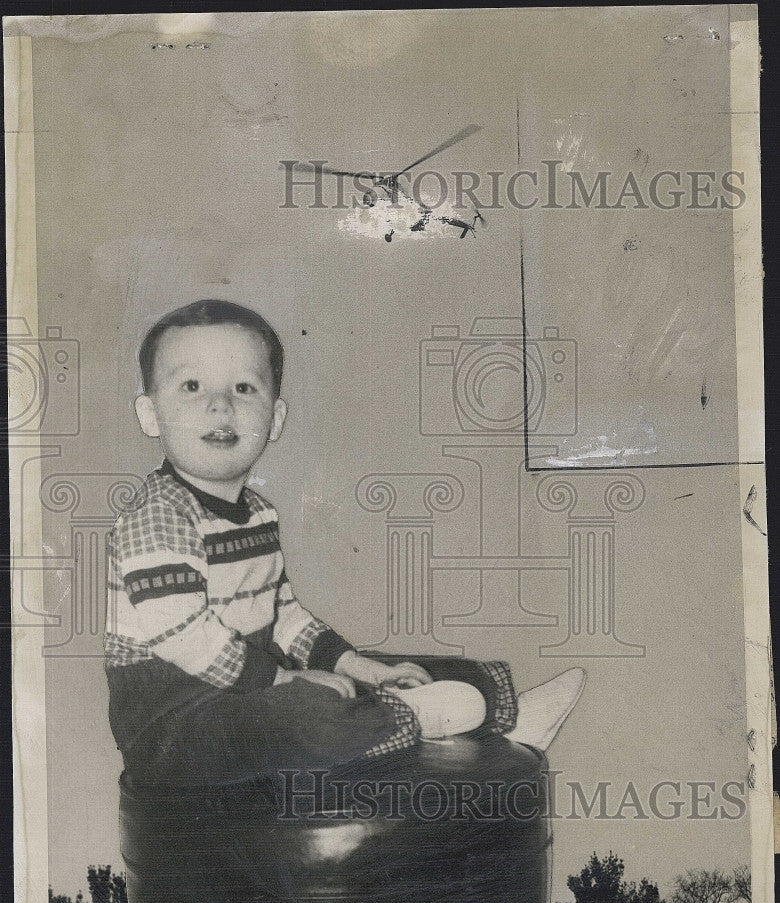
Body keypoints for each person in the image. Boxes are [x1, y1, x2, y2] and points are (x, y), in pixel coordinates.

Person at [104, 299, 585, 788]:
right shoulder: (157, 518)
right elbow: (186, 637)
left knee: (404, 668)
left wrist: (365, 668)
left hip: (249, 685)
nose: (220, 404)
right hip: (174, 721)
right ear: (149, 413)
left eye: (244, 387)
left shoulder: (258, 515)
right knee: (304, 714)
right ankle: (414, 720)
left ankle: (505, 715)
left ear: (275, 418)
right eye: (191, 386)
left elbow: (285, 618)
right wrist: (286, 680)